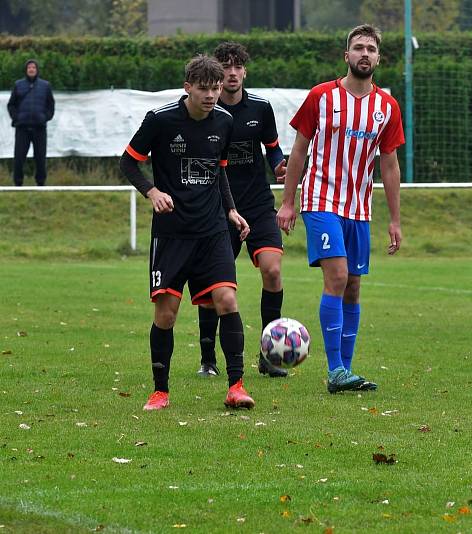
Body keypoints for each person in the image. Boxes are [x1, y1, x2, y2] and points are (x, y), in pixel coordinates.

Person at [119, 55, 256, 411]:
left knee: (227, 300)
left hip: (212, 231)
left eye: (215, 88)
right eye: (204, 89)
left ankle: (236, 386)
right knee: (166, 315)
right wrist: (152, 191)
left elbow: (219, 170)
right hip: (172, 234)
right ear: (188, 87)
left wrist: (231, 210)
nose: (211, 95)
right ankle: (160, 391)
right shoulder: (161, 120)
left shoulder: (224, 122)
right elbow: (127, 161)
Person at [276, 24, 404, 394]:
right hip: (320, 199)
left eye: (371, 49)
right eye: (358, 48)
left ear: (379, 58)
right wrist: (288, 203)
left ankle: (346, 370)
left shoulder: (386, 107)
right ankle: (335, 371)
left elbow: (390, 165)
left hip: (359, 206)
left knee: (353, 287)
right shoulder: (322, 96)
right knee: (337, 276)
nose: (365, 54)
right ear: (346, 55)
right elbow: (298, 151)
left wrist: (394, 220)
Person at [194, 41, 289, 379]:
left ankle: (270, 355)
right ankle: (208, 360)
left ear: (244, 71)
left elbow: (274, 150)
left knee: (273, 271)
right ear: (216, 73)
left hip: (257, 204)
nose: (232, 73)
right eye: (225, 66)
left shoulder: (261, 109)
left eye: (237, 67)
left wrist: (280, 166)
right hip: (217, 209)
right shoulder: (204, 109)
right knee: (213, 287)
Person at [6, 59, 55, 186]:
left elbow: (51, 105)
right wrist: (16, 118)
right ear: (26, 70)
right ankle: (18, 183)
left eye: (33, 67)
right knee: (19, 157)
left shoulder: (45, 86)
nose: (31, 69)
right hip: (22, 128)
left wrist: (45, 117)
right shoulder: (18, 85)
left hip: (39, 128)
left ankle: (40, 183)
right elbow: (11, 105)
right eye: (29, 68)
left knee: (40, 157)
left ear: (37, 70)